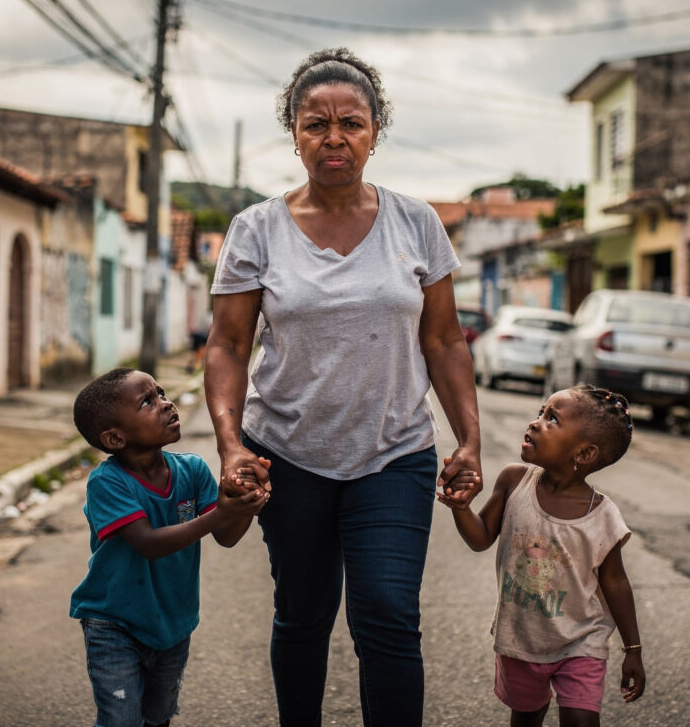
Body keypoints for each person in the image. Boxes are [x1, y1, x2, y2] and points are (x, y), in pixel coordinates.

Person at [204, 47, 482, 726]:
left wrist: (470, 438)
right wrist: (230, 444)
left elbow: (444, 339)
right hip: (288, 454)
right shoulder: (256, 229)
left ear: (376, 131)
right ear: (294, 133)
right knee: (302, 614)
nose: (334, 138)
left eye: (351, 123)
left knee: (388, 614)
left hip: (393, 453)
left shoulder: (417, 224)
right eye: (315, 123)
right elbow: (228, 345)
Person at [69, 368, 269, 727]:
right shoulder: (107, 482)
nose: (166, 404)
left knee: (158, 716)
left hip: (173, 623)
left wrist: (246, 502)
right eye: (148, 401)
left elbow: (226, 535)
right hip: (113, 623)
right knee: (120, 720)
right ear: (115, 439)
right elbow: (147, 543)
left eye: (161, 393)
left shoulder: (192, 470)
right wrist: (220, 515)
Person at [438, 385, 646, 727]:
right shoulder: (514, 481)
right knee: (526, 717)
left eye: (552, 419)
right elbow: (480, 538)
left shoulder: (603, 516)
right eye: (540, 412)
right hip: (522, 638)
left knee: (581, 721)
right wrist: (461, 508)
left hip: (582, 641)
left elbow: (616, 582)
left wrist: (633, 649)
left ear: (584, 453)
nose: (535, 423)